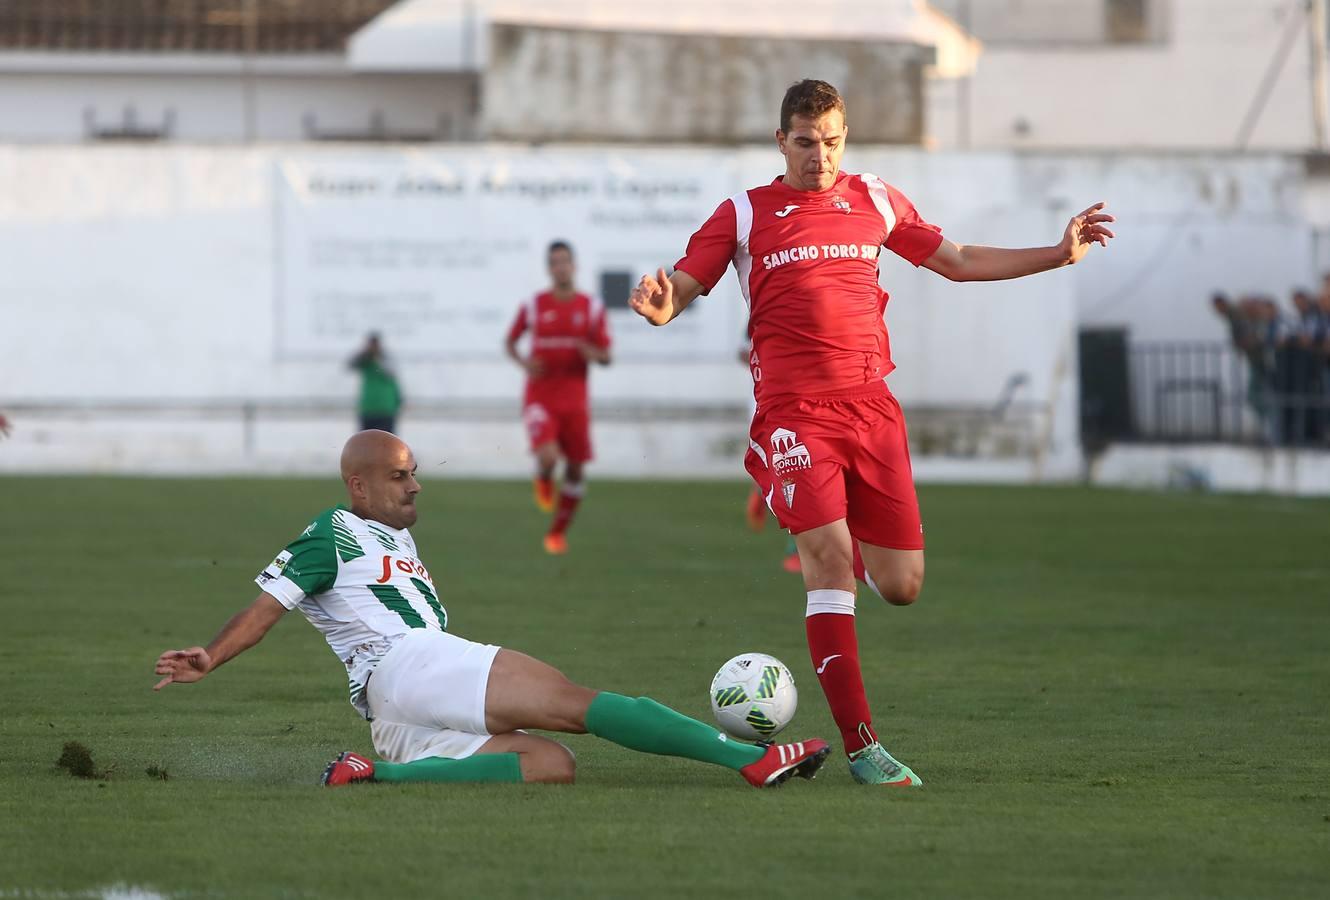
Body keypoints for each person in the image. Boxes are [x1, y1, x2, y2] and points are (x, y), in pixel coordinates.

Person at [626, 79, 1114, 787]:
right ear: (780, 140)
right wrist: (662, 305)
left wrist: (1056, 253)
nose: (818, 156)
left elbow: (958, 260)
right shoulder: (742, 213)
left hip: (872, 411)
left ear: (843, 138)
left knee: (902, 584)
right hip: (794, 416)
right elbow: (684, 285)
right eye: (804, 141)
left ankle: (840, 543)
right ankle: (864, 748)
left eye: (830, 141)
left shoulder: (876, 199)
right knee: (827, 561)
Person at [153, 430, 829, 788]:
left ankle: (371, 774)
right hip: (409, 664)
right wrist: (211, 655)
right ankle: (748, 759)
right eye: (399, 475)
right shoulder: (333, 530)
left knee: (550, 765)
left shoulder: (394, 533)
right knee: (573, 700)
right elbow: (269, 606)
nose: (415, 483)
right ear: (357, 484)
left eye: (414, 471)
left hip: (388, 713)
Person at [504, 241, 612, 555]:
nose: (560, 267)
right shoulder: (535, 305)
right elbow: (510, 342)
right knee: (549, 456)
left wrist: (591, 352)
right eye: (555, 262)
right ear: (549, 269)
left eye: (565, 261)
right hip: (540, 397)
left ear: (573, 266)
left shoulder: (591, 308)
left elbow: (605, 356)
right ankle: (543, 475)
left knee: (577, 470)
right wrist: (525, 362)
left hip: (575, 401)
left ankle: (557, 532)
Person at [348, 333, 403, 434]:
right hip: (368, 408)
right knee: (366, 442)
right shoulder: (365, 360)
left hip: (385, 408)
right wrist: (365, 354)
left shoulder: (386, 359)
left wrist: (378, 359)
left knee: (387, 441)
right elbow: (350, 365)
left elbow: (391, 373)